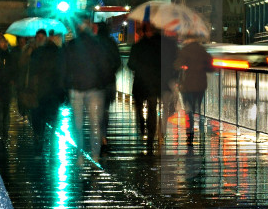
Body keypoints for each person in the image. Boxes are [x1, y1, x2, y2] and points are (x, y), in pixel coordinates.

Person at [62, 17, 117, 156]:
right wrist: (104, 82)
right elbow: (105, 66)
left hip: (76, 89)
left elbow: (64, 67)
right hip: (95, 89)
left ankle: (80, 154)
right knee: (95, 124)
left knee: (78, 124)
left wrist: (66, 85)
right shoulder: (98, 44)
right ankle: (95, 154)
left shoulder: (71, 45)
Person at [127, 21, 178, 153]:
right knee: (152, 108)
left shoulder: (138, 46)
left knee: (141, 106)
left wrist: (140, 68)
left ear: (143, 31)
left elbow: (130, 64)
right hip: (158, 82)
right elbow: (174, 62)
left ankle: (143, 126)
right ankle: (151, 137)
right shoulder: (166, 45)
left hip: (142, 82)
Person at [24, 29, 64, 146]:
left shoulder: (38, 52)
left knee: (39, 115)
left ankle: (39, 136)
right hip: (49, 90)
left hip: (43, 90)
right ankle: (47, 138)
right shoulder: (55, 50)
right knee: (48, 116)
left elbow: (32, 70)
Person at [175, 38, 213, 144]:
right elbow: (211, 66)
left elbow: (176, 65)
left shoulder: (184, 50)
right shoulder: (203, 51)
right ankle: (201, 131)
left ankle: (190, 132)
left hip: (187, 84)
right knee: (198, 108)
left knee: (188, 109)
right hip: (200, 84)